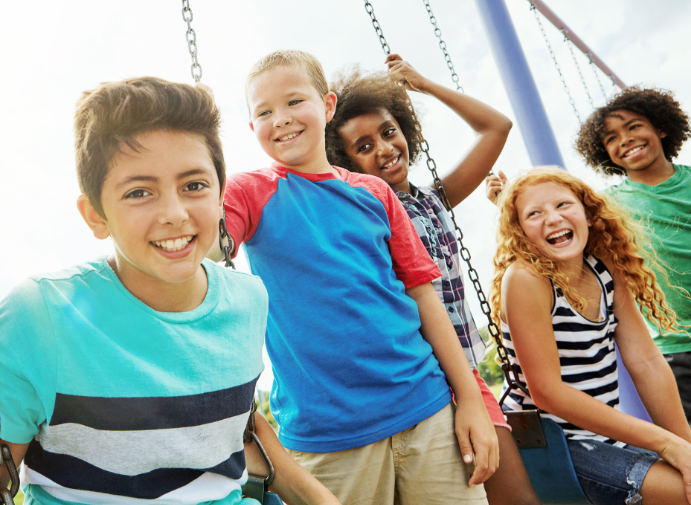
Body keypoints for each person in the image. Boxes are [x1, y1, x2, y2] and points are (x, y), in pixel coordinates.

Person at [0, 76, 340, 505]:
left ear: (221, 194)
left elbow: (242, 431)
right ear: (95, 215)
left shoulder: (248, 300)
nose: (174, 214)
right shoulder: (41, 315)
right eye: (139, 192)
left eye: (194, 185)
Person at [212, 50, 497, 505]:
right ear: (252, 129)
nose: (280, 119)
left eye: (293, 102)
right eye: (264, 112)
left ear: (326, 107)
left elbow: (425, 299)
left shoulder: (376, 193)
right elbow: (210, 245)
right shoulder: (250, 191)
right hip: (329, 435)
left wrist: (472, 401)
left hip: (426, 407)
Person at [325, 54, 542, 505]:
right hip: (421, 378)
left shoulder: (434, 198)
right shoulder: (363, 214)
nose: (384, 148)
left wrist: (423, 85)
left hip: (463, 370)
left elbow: (496, 128)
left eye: (389, 132)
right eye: (363, 146)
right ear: (343, 161)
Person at [492, 166, 691, 505]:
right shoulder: (526, 279)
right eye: (534, 214)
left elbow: (646, 361)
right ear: (521, 232)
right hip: (557, 442)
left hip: (604, 436)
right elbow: (548, 393)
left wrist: (686, 446)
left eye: (562, 205)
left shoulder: (603, 268)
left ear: (588, 213)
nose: (553, 218)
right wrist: (664, 443)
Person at [575, 87, 691, 436]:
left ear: (660, 128)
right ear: (605, 153)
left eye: (634, 127)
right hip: (676, 345)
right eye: (612, 138)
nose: (625, 140)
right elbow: (568, 237)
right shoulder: (604, 206)